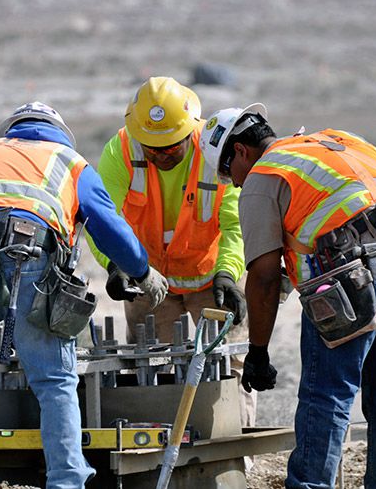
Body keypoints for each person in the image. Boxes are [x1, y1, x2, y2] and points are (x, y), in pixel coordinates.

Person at [0, 102, 169, 489]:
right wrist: (141, 270)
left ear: (12, 129)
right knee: (54, 382)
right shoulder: (71, 163)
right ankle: (66, 480)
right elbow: (110, 227)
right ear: (59, 132)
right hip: (31, 265)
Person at [200, 104, 376, 488]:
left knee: (326, 393)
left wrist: (259, 354)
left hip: (358, 276)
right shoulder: (337, 139)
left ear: (241, 152)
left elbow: (263, 278)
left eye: (228, 173)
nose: (232, 185)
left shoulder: (264, 175)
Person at [89, 76, 255, 426]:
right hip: (148, 282)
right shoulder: (120, 152)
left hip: (211, 278)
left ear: (189, 130)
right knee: (153, 369)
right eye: (152, 146)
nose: (161, 154)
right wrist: (114, 265)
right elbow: (102, 218)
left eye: (170, 146)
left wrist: (228, 272)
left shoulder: (213, 153)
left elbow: (235, 223)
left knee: (229, 366)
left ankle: (235, 450)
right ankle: (159, 450)